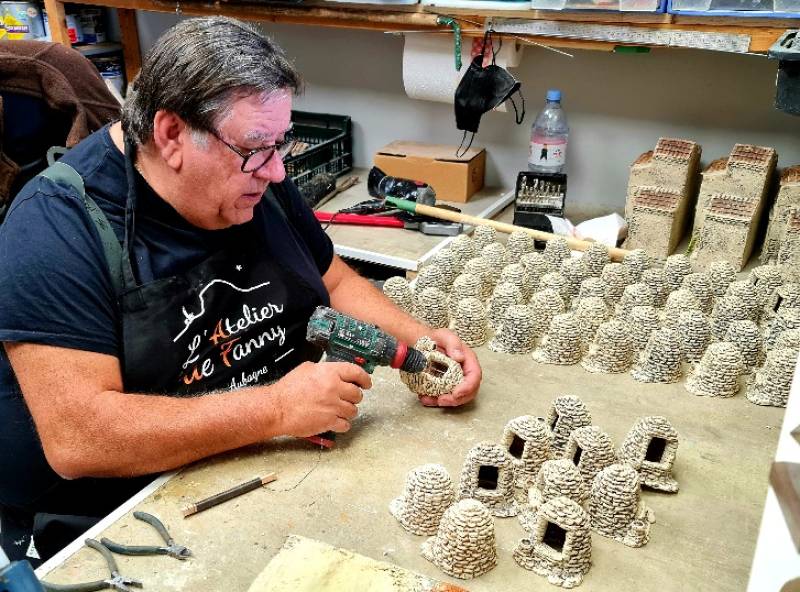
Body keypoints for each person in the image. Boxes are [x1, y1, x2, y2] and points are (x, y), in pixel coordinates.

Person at [0, 17, 482, 564]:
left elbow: (333, 278)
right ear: (172, 134)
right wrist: (276, 409)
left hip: (266, 455)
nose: (277, 171)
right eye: (256, 148)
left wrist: (423, 345)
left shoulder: (257, 181)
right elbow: (80, 438)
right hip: (125, 512)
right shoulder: (56, 228)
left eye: (281, 143)